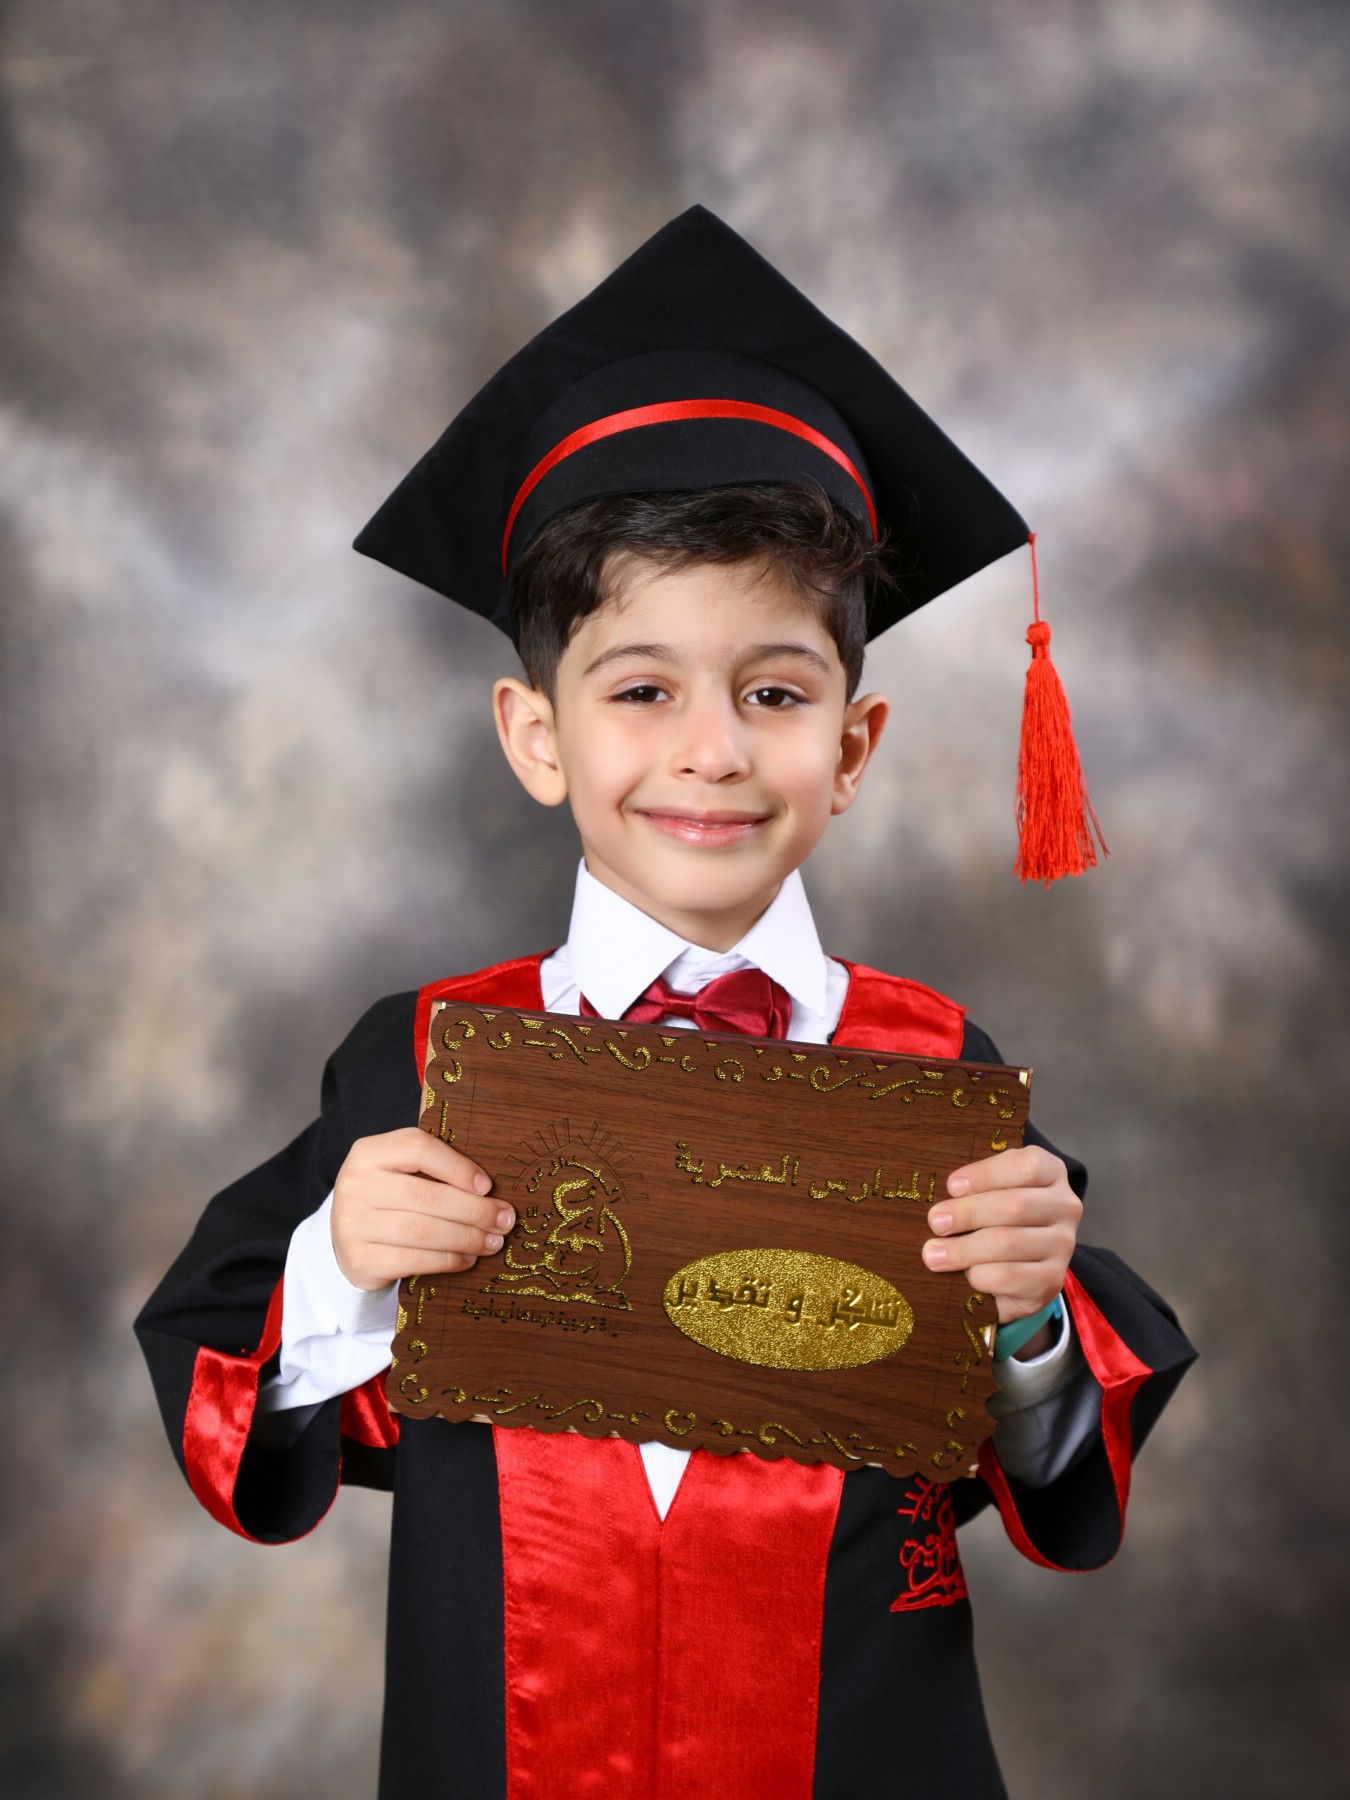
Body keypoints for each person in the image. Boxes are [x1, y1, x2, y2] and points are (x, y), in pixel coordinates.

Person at [136, 206, 1195, 1799]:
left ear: (850, 748)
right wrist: (340, 1264)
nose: (712, 750)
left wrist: (1031, 1310)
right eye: (640, 689)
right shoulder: (425, 1062)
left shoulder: (927, 1071)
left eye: (774, 692)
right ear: (535, 734)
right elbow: (244, 1402)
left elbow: (1045, 1469)